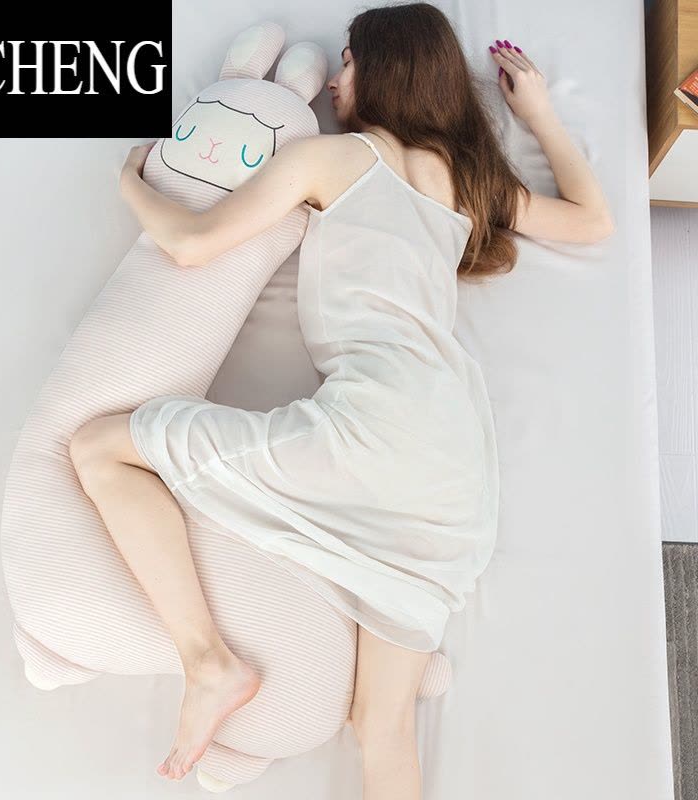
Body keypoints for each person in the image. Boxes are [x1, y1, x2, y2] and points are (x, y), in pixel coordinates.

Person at [68, 3, 614, 796]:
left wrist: (129, 179)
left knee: (97, 448)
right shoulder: (468, 180)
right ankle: (216, 662)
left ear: (386, 69)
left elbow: (189, 244)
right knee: (381, 729)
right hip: (455, 471)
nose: (334, 79)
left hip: (374, 431)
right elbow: (593, 221)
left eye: (349, 61)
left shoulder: (334, 158)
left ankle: (207, 659)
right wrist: (540, 115)